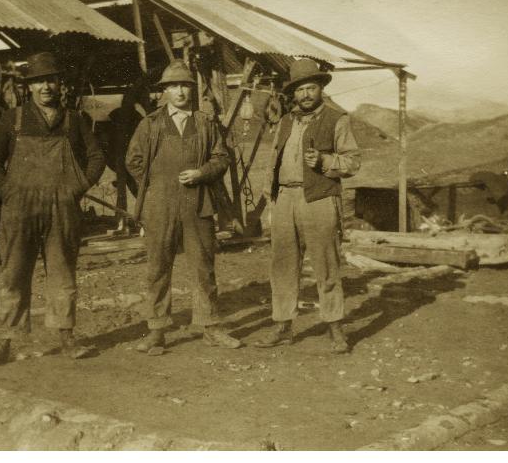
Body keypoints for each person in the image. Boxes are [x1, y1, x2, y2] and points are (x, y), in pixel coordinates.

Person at [0, 51, 105, 363]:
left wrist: (76, 188)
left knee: (63, 274)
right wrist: (8, 192)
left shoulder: (73, 120)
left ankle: (67, 338)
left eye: (50, 80)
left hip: (61, 209)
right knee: (13, 274)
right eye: (38, 82)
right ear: (30, 87)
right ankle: (3, 342)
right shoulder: (14, 119)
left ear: (58, 84)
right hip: (19, 209)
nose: (45, 87)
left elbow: (97, 158)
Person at [126, 60, 242, 354]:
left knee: (204, 267)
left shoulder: (205, 123)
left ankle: (211, 327)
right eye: (173, 86)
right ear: (164, 91)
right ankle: (156, 331)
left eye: (185, 85)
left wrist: (201, 173)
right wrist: (153, 189)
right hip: (159, 206)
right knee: (158, 268)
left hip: (198, 204)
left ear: (192, 89)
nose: (180, 91)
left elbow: (222, 158)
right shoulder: (150, 124)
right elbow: (133, 161)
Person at [256, 58, 360, 353]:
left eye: (310, 88)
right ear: (294, 93)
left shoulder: (337, 119)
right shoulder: (286, 120)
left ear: (320, 88)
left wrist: (326, 161)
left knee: (325, 264)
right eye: (300, 89)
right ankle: (283, 325)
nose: (305, 95)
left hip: (319, 197)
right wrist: (269, 194)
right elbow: (274, 158)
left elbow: (353, 161)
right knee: (283, 265)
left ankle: (335, 327)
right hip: (284, 199)